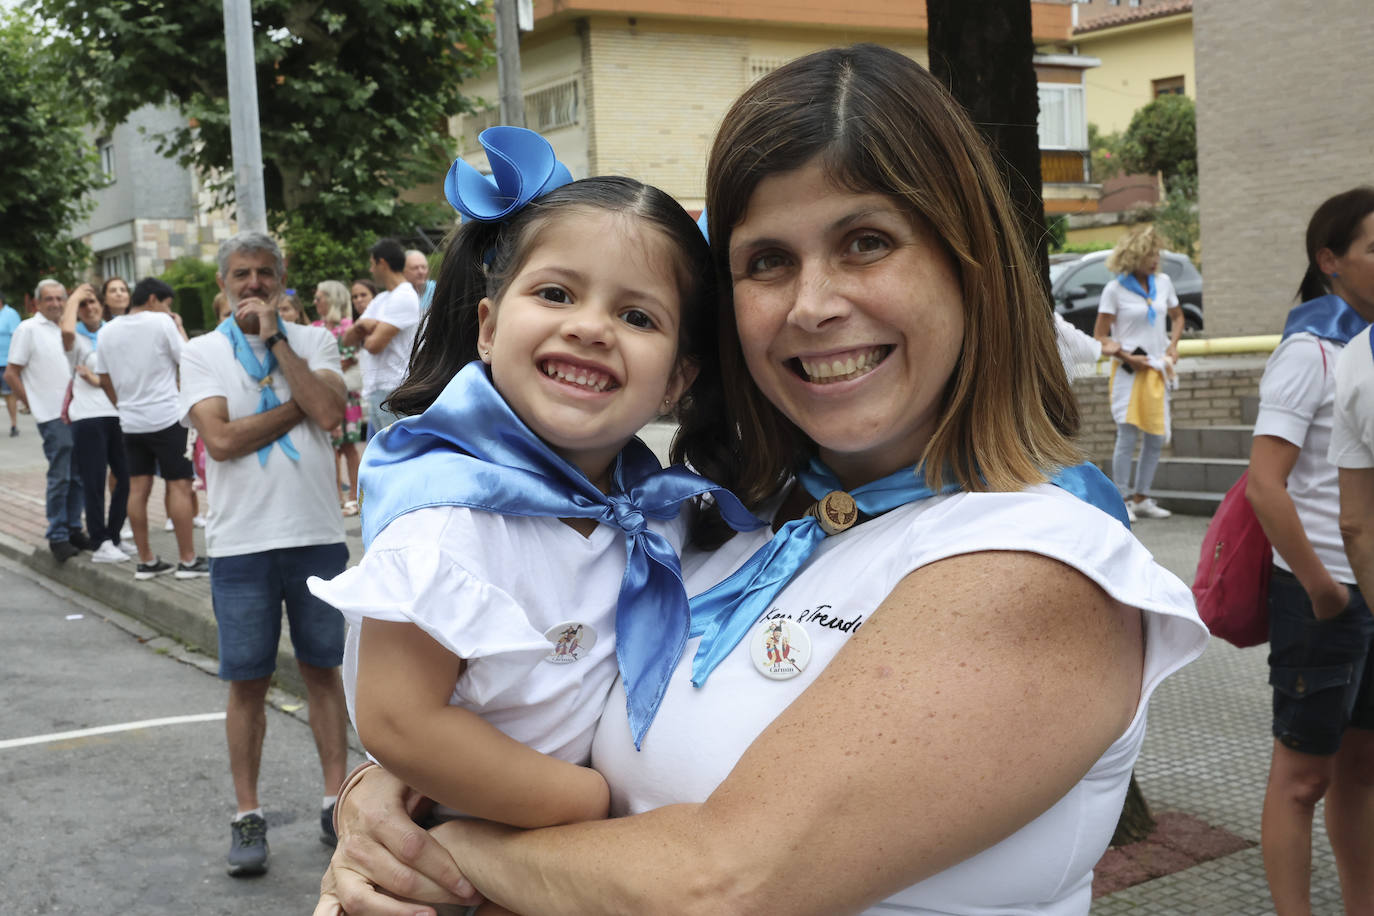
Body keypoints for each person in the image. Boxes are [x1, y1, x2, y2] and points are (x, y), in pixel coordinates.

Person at [316, 45, 1208, 916]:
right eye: (767, 261)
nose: (814, 305)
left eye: (866, 242)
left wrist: (454, 856)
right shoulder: (716, 521)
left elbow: (727, 882)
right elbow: (532, 702)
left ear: (969, 266)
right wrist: (386, 794)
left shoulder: (1039, 562)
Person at [309, 128, 759, 916]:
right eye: (556, 294)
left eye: (638, 316)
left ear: (678, 380)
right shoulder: (452, 519)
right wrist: (585, 800)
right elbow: (397, 718)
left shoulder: (663, 515)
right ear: (487, 327)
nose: (590, 326)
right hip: (450, 877)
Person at [180, 232, 352, 877]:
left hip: (314, 532)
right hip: (242, 541)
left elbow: (332, 414)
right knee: (246, 681)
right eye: (241, 274)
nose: (252, 284)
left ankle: (337, 800)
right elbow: (220, 440)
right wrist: (296, 408)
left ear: (282, 279)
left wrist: (279, 341)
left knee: (323, 671)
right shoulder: (199, 353)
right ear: (224, 283)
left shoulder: (312, 343)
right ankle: (247, 815)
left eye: (263, 273)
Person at [1248, 187, 1374, 916]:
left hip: (1368, 582)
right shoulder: (1312, 349)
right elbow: (1267, 486)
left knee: (1362, 772)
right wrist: (1323, 586)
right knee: (1303, 779)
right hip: (1323, 591)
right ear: (1330, 261)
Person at [95, 277, 208, 580]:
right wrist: (177, 324)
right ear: (155, 299)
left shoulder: (107, 331)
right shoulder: (161, 323)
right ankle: (187, 560)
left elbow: (103, 376)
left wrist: (121, 404)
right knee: (179, 485)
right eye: (167, 305)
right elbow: (189, 359)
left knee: (137, 488)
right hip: (167, 416)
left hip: (130, 420)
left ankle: (145, 560)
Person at [1093, 224, 1184, 523]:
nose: (1155, 259)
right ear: (1133, 256)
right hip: (1130, 372)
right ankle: (1122, 498)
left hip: (1156, 370)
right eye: (1149, 253)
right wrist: (1125, 354)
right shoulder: (1114, 290)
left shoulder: (1165, 283)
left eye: (1157, 253)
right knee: (1128, 434)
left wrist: (1173, 345)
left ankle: (1143, 497)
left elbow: (1178, 316)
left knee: (1156, 437)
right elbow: (1100, 336)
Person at [4, 280, 88, 561]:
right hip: (52, 414)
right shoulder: (28, 329)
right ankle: (58, 535)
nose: (54, 303)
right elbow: (11, 373)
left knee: (78, 475)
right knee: (60, 475)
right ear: (37, 303)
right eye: (48, 299)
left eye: (59, 298)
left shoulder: (69, 327)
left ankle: (74, 528)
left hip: (79, 412)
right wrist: (33, 404)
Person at [62, 287, 131, 563]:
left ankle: (113, 536)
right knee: (94, 480)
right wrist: (75, 297)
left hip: (117, 414)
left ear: (102, 306)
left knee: (126, 477)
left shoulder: (111, 332)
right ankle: (99, 541)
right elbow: (66, 331)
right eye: (83, 305)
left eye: (93, 303)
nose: (89, 308)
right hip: (88, 418)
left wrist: (99, 380)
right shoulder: (74, 338)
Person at [343, 239, 420, 435]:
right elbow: (347, 340)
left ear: (382, 263)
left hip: (394, 389)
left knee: (397, 458)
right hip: (378, 390)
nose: (370, 270)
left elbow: (374, 345)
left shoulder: (404, 296)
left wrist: (367, 331)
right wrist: (363, 326)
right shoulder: (381, 299)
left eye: (371, 264)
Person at [311, 280, 364, 514]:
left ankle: (354, 496)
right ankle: (336, 497)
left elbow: (349, 357)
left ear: (330, 299)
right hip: (324, 395)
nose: (315, 303)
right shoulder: (314, 327)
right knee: (330, 447)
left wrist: (322, 371)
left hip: (344, 394)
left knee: (349, 446)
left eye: (318, 298)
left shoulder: (346, 327)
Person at [0, 288, 21, 436]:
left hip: (6, 361)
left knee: (9, 394)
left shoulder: (10, 314)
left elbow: (17, 337)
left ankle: (14, 424)